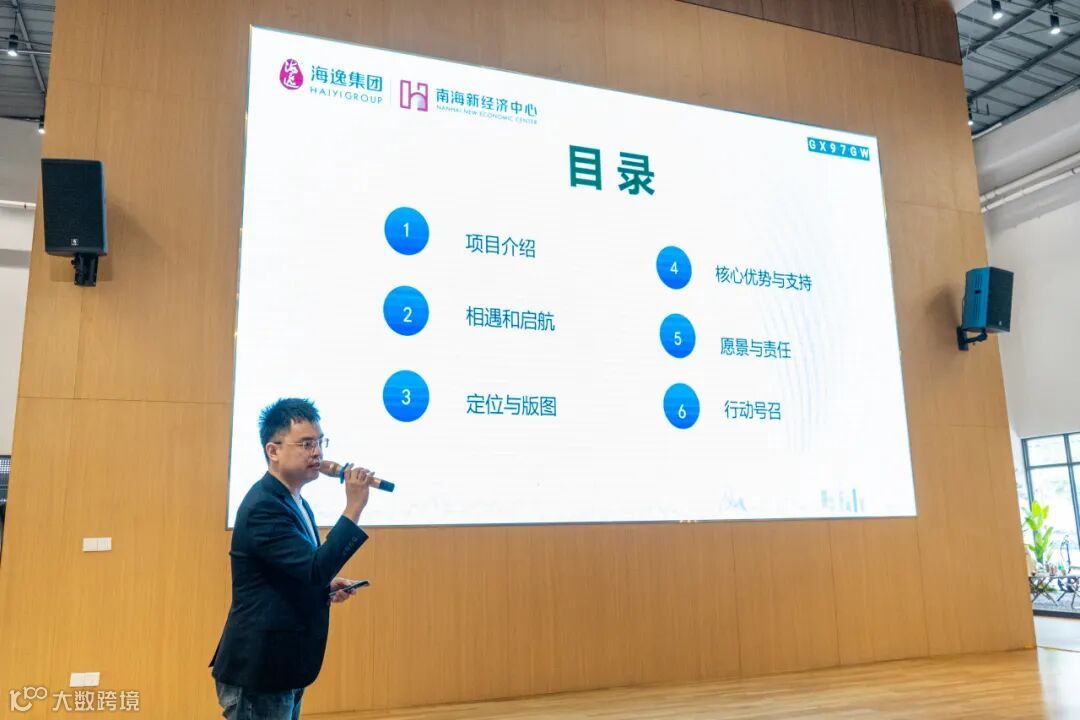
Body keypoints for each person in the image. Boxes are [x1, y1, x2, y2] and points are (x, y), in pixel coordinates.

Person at [210, 398, 374, 719]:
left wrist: (324, 587)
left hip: (284, 664)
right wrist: (354, 507)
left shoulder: (294, 500)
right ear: (273, 451)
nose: (317, 453)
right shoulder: (264, 506)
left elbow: (301, 571)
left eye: (320, 442)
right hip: (261, 668)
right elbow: (314, 569)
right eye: (306, 444)